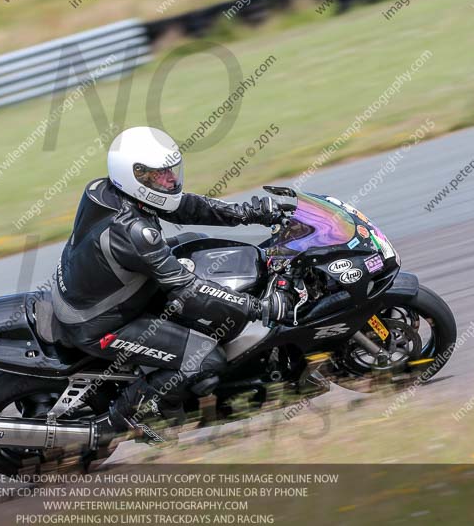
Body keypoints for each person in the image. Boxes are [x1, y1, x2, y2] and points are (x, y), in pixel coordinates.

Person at [41, 126, 292, 441]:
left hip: (100, 291)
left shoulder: (105, 189)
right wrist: (259, 306)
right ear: (137, 176)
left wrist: (248, 213)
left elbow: (185, 206)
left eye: (171, 172)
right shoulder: (133, 232)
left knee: (195, 243)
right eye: (161, 176)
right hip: (98, 323)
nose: (171, 181)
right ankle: (124, 421)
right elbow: (189, 291)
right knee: (203, 359)